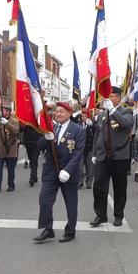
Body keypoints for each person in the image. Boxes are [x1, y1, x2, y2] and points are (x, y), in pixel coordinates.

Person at [33, 102, 85, 243]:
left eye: (62, 111)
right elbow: (39, 146)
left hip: (68, 172)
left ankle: (70, 231)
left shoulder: (78, 130)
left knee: (71, 203)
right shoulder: (52, 128)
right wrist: (46, 137)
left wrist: (68, 170)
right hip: (51, 171)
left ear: (69, 113)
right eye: (57, 111)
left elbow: (78, 153)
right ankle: (47, 228)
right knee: (44, 200)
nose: (58, 114)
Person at [90, 87, 134, 227]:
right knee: (99, 187)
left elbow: (126, 124)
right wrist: (95, 153)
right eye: (109, 96)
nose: (111, 99)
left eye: (114, 96)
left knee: (119, 188)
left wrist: (113, 111)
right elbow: (98, 135)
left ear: (119, 98)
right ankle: (100, 215)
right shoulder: (103, 115)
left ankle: (118, 215)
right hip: (103, 157)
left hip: (119, 157)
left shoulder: (126, 111)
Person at [0, 105, 20, 193]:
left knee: (10, 169)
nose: (3, 112)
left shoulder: (14, 121)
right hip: (1, 149)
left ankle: (11, 185)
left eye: (5, 110)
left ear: (9, 111)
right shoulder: (0, 121)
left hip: (10, 149)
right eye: (3, 110)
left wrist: (7, 124)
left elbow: (15, 131)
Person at [79, 109, 95, 189]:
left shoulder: (92, 124)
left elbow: (97, 130)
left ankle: (89, 182)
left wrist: (92, 125)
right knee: (80, 167)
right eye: (82, 116)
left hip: (89, 148)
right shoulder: (78, 124)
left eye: (85, 116)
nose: (84, 117)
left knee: (90, 168)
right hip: (80, 148)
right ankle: (80, 182)